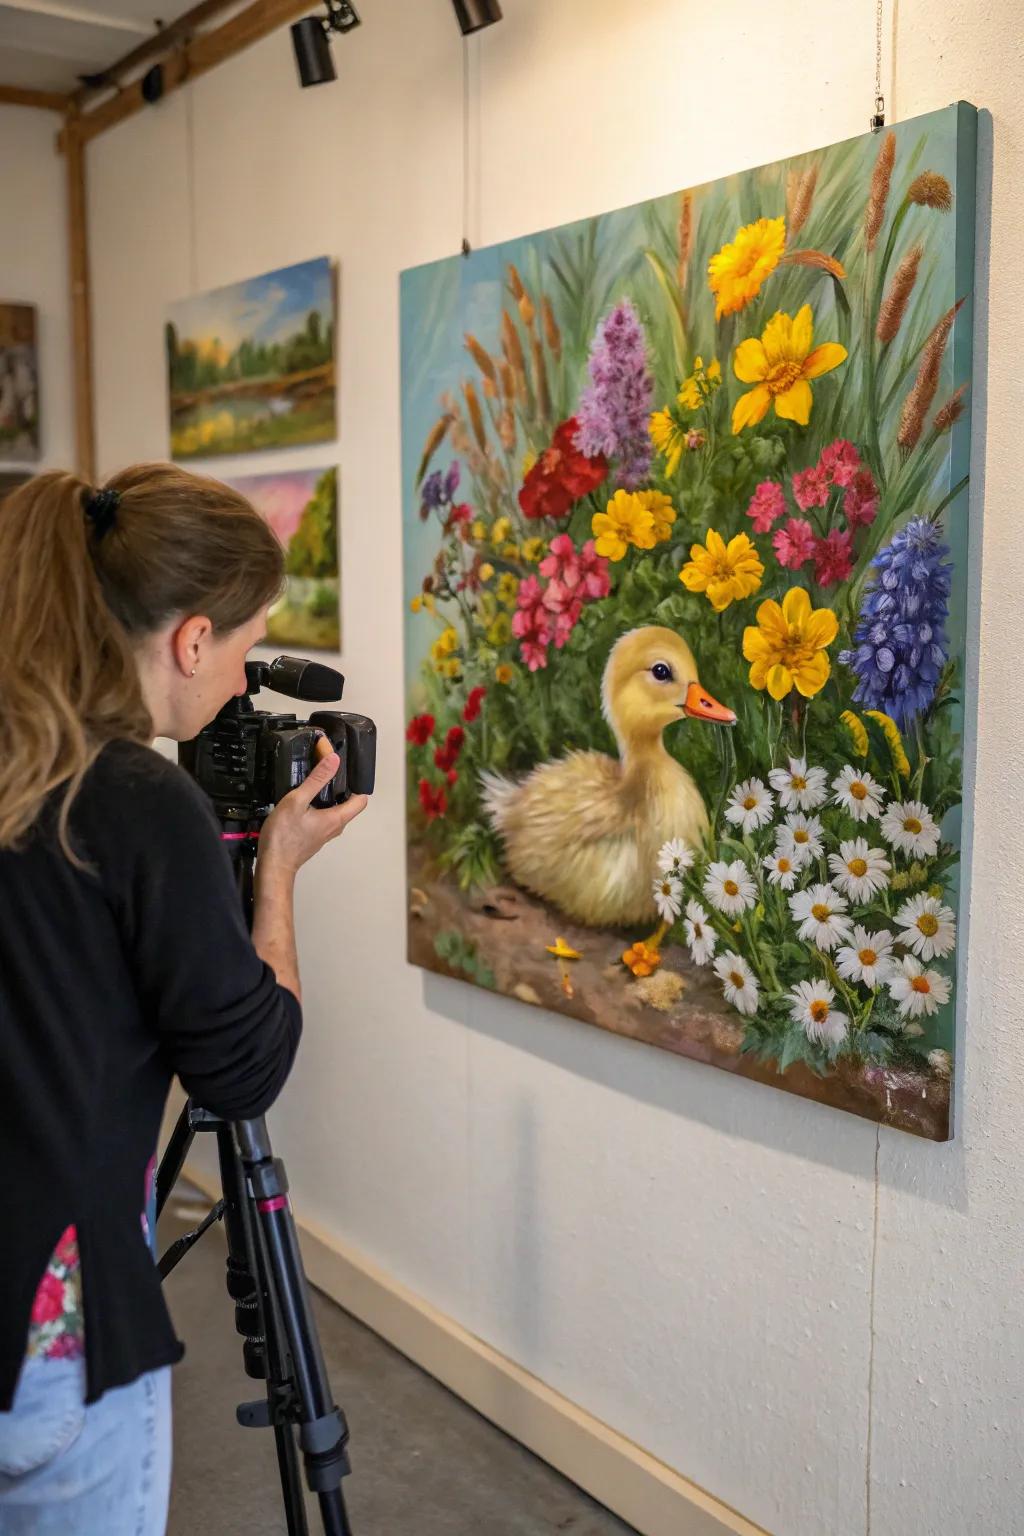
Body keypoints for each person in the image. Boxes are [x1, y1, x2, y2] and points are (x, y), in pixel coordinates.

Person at [0, 464, 368, 1534]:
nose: (243, 675)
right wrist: (277, 874)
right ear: (190, 640)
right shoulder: (130, 799)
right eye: (248, 644)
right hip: (46, 1327)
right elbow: (245, 1063)